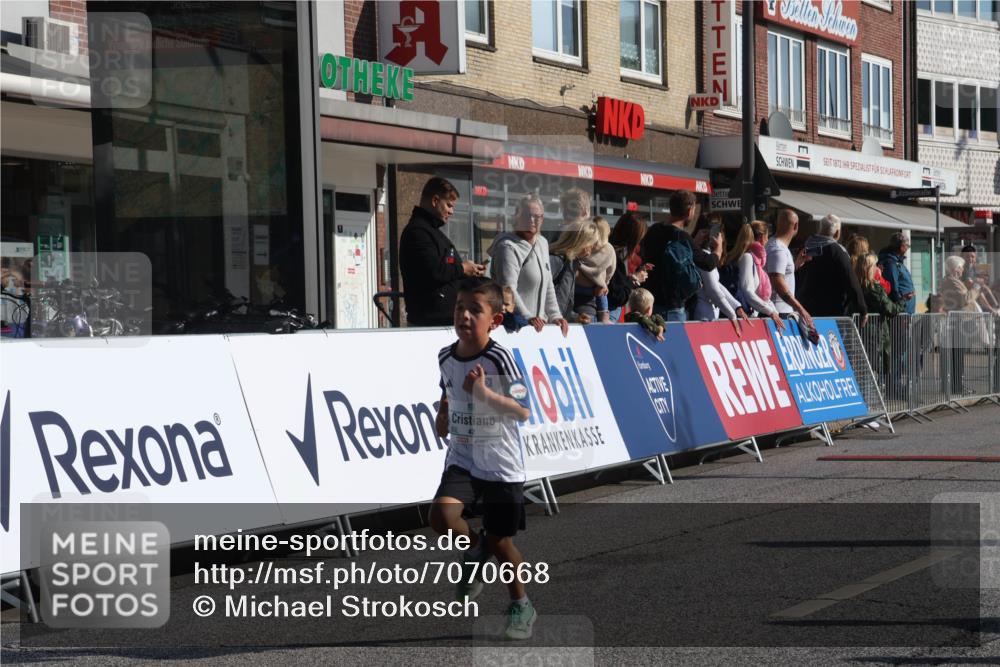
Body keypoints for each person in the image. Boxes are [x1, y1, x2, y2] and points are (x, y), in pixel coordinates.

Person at [429, 277, 536, 640]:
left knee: (501, 542)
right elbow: (444, 398)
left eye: (476, 310)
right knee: (442, 516)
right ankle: (474, 554)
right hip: (462, 455)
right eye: (460, 307)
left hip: (500, 463)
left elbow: (523, 410)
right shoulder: (445, 356)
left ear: (495, 319)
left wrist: (483, 393)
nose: (465, 315)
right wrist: (442, 416)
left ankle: (521, 604)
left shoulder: (499, 357)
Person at [399, 177, 485, 326]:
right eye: (449, 205)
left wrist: (470, 273)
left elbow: (445, 269)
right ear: (435, 201)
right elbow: (433, 271)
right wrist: (463, 268)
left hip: (441, 319)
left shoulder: (431, 232)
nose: (451, 211)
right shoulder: (418, 232)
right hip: (430, 322)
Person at [488, 195, 569, 336]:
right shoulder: (507, 247)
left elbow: (548, 284)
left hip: (537, 328)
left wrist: (556, 316)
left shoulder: (542, 243)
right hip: (513, 329)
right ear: (516, 217)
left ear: (542, 219)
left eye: (537, 217)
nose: (532, 221)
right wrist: (527, 317)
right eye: (526, 215)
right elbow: (508, 289)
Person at [639, 190, 716, 322]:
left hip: (649, 304)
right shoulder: (682, 237)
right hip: (671, 307)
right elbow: (708, 263)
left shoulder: (654, 230)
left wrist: (693, 243)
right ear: (689, 210)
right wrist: (718, 250)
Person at [796, 214, 868, 324]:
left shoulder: (806, 247)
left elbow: (796, 274)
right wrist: (862, 309)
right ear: (837, 233)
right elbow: (851, 280)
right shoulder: (838, 251)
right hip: (831, 312)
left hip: (804, 308)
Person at [719, 221, 783, 328]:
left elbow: (761, 297)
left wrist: (775, 313)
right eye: (767, 237)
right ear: (762, 237)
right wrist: (771, 312)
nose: (767, 241)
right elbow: (748, 291)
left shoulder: (755, 261)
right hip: (742, 319)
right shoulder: (747, 258)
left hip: (747, 317)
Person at [855, 253, 905, 382]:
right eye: (876, 265)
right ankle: (871, 400)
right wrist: (903, 300)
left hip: (863, 331)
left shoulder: (857, 285)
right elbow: (890, 309)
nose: (878, 268)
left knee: (865, 368)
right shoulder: (873, 287)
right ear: (870, 268)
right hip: (874, 333)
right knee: (872, 370)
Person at [691, 222, 749, 335]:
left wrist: (736, 306)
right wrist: (732, 315)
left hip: (707, 313)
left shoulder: (706, 254)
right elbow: (713, 289)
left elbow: (717, 285)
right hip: (705, 316)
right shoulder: (705, 255)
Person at [766, 209, 816, 333]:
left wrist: (796, 264)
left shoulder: (778, 246)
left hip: (779, 311)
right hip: (779, 313)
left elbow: (780, 274)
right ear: (796, 226)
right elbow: (777, 282)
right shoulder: (778, 249)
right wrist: (800, 309)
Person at [940, 255, 981, 395]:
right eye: (961, 267)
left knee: (958, 356)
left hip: (958, 322)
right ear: (955, 268)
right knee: (957, 356)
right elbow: (965, 299)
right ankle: (957, 386)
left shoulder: (953, 281)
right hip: (958, 323)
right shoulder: (951, 281)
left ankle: (957, 385)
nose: (963, 270)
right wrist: (976, 288)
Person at [549, 222, 601, 323]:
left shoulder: (571, 264)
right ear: (583, 242)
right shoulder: (557, 260)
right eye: (592, 243)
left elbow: (562, 307)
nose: (594, 248)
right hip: (543, 328)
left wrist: (575, 318)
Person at [607, 212, 650, 321]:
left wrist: (631, 277)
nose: (639, 243)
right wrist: (634, 279)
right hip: (609, 312)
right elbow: (618, 296)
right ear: (633, 237)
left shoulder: (610, 250)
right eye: (639, 238)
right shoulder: (615, 256)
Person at [575, 217, 617, 323]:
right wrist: (605, 282)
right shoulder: (609, 249)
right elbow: (611, 270)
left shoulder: (584, 246)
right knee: (602, 292)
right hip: (598, 288)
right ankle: (604, 317)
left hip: (579, 288)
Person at [877, 233, 916, 314]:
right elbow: (893, 288)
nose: (908, 248)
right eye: (907, 246)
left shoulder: (896, 262)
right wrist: (900, 306)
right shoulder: (891, 263)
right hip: (901, 312)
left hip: (905, 310)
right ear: (902, 247)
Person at [960, 244, 1000, 314]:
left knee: (985, 288)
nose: (970, 259)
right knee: (980, 288)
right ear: (962, 257)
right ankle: (993, 308)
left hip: (974, 293)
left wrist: (980, 280)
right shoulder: (960, 269)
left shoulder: (973, 268)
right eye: (967, 256)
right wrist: (976, 281)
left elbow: (979, 281)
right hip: (966, 295)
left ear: (975, 258)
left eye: (972, 257)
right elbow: (967, 283)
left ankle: (996, 307)